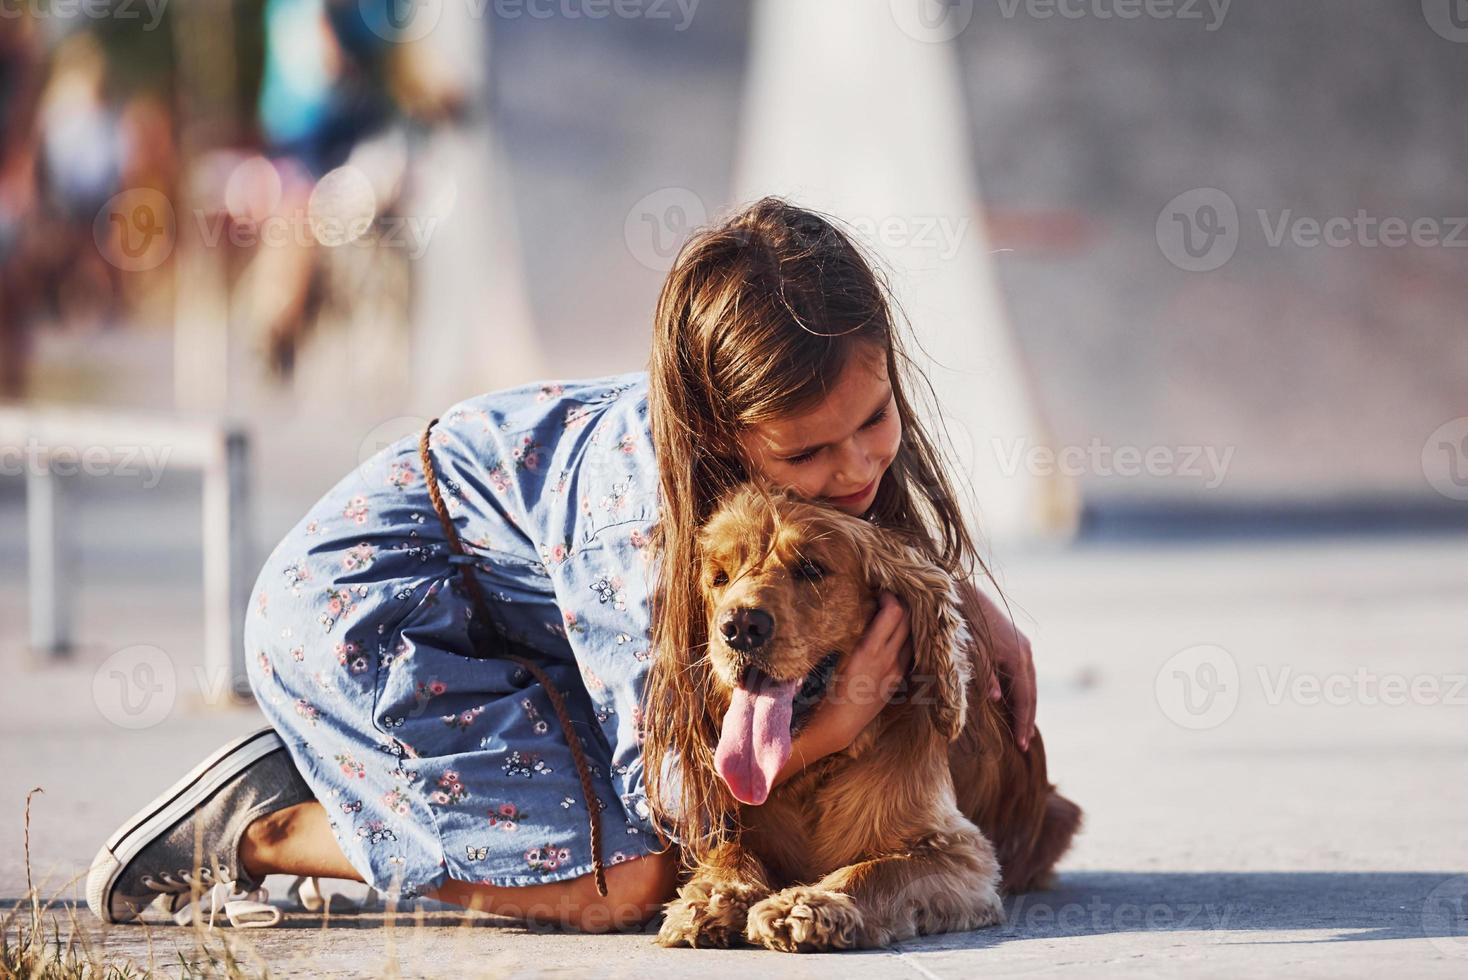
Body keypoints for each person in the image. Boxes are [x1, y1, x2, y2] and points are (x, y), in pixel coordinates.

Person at [86, 197, 1040, 934]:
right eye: (806, 458)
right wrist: (839, 722)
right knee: (627, 876)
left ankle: (368, 783)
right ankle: (259, 824)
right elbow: (668, 793)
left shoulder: (789, 445)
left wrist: (955, 592)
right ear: (717, 427)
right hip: (363, 618)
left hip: (497, 631)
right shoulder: (638, 526)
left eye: (875, 421)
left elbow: (847, 542)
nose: (859, 468)